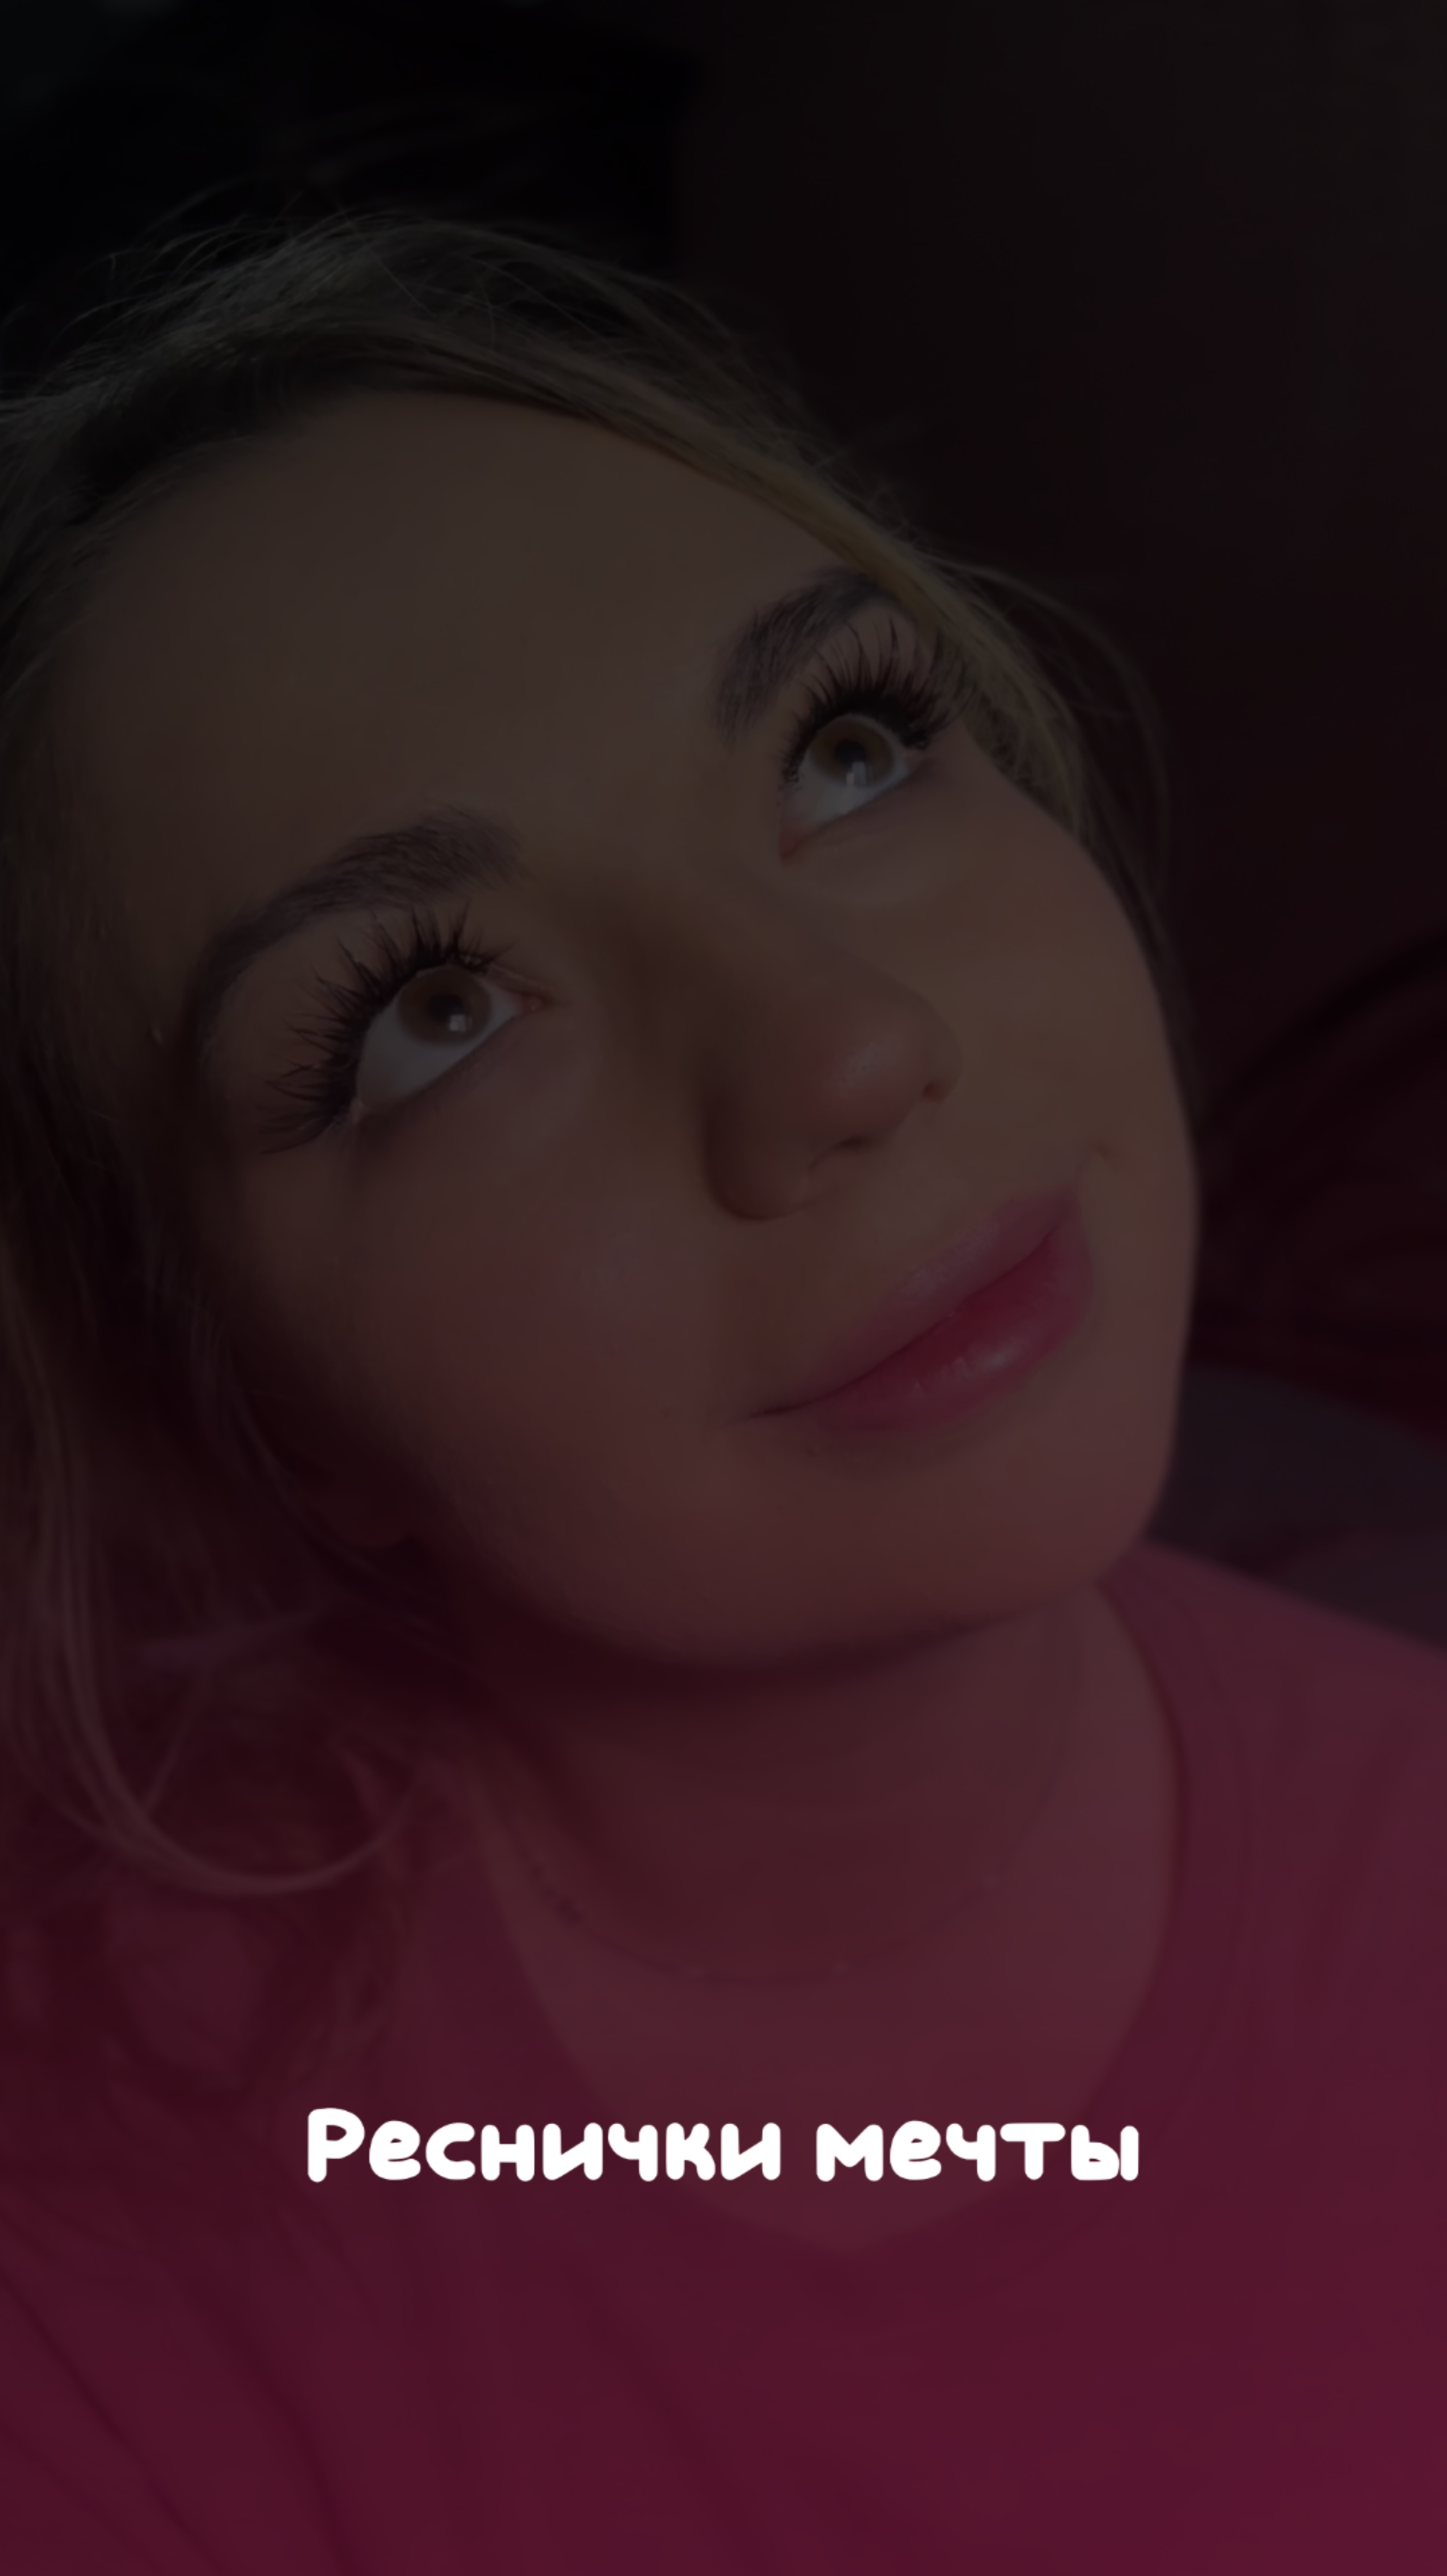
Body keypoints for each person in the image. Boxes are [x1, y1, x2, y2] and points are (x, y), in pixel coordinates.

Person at [0, 219, 1441, 2576]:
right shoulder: (81, 2263)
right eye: (435, 1014)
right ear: (213, 1394)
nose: (842, 1045)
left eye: (845, 746)